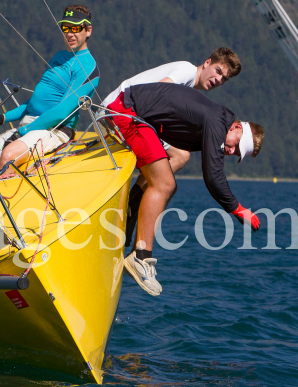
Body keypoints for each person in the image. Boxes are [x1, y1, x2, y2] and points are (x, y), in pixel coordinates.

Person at [106, 82, 265, 296]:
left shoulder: (216, 121)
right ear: (236, 127)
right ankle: (140, 257)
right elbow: (212, 175)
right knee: (165, 184)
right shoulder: (216, 122)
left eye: (237, 153)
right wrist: (237, 208)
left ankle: (132, 210)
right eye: (236, 145)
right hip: (126, 112)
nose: (231, 150)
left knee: (171, 173)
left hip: (135, 115)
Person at [100, 49, 243, 245]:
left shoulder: (190, 89)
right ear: (207, 62)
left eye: (224, 79)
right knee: (180, 156)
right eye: (218, 71)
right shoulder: (186, 71)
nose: (218, 79)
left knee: (180, 154)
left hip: (128, 113)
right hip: (120, 110)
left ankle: (138, 199)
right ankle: (136, 201)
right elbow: (159, 93)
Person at [0, 5, 100, 182]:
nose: (69, 34)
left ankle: (1, 208)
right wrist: (3, 118)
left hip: (55, 129)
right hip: (29, 125)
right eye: (65, 28)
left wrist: (24, 131)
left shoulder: (88, 67)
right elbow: (35, 102)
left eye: (75, 28)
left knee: (7, 157)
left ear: (88, 30)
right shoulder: (59, 56)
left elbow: (61, 112)